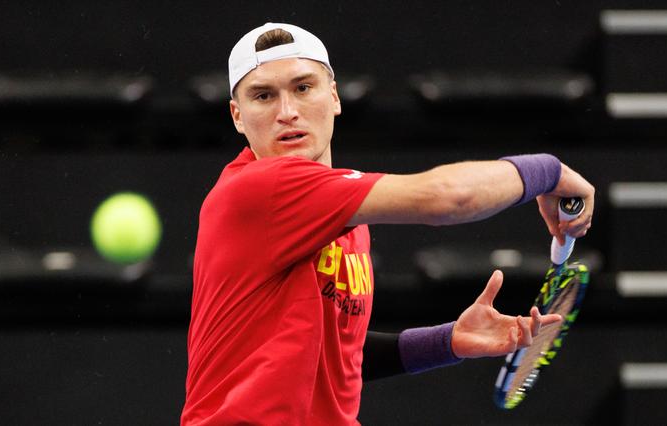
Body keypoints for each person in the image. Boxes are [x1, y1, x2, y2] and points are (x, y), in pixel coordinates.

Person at [181, 22, 595, 426]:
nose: (287, 112)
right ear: (237, 116)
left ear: (335, 96)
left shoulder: (344, 217)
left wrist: (446, 341)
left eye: (303, 88)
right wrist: (549, 170)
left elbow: (340, 356)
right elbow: (448, 197)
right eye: (263, 96)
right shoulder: (261, 189)